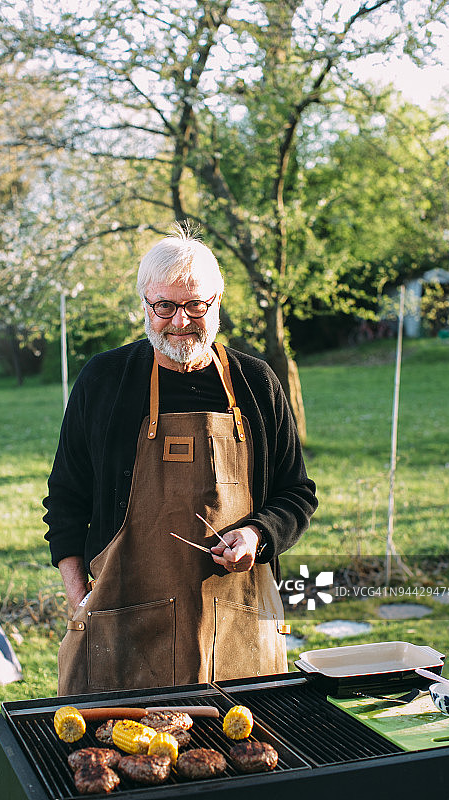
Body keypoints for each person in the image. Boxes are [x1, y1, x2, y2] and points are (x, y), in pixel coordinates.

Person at [43, 225, 318, 696]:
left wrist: (258, 533)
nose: (180, 321)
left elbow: (297, 492)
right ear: (145, 304)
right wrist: (79, 600)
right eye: (164, 306)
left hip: (237, 622)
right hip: (123, 623)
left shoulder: (257, 383)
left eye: (196, 306)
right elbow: (66, 499)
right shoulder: (104, 381)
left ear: (218, 301)